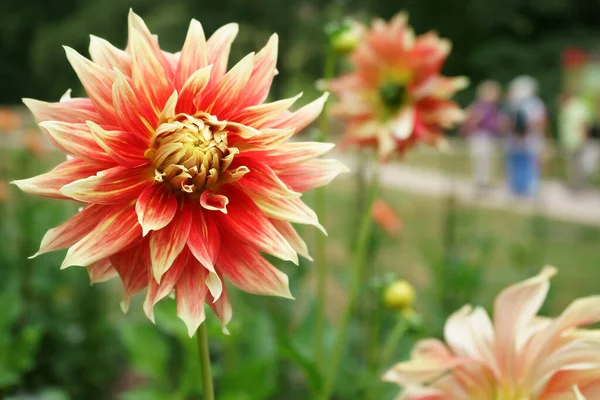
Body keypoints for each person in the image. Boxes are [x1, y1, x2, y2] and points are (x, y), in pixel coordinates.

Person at [505, 76, 547, 198]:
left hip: (529, 141)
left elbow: (539, 122)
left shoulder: (534, 104)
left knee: (529, 165)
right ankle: (518, 189)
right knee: (518, 164)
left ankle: (529, 189)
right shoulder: (515, 103)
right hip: (517, 141)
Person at [461, 80, 502, 193]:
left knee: (487, 161)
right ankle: (481, 183)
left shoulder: (491, 107)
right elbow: (470, 119)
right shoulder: (480, 106)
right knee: (481, 160)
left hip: (489, 136)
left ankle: (484, 182)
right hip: (480, 136)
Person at [558, 90, 591, 191]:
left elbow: (584, 124)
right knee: (572, 164)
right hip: (569, 140)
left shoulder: (578, 107)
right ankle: (575, 185)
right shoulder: (567, 108)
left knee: (577, 165)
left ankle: (579, 186)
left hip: (576, 140)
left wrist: (584, 138)